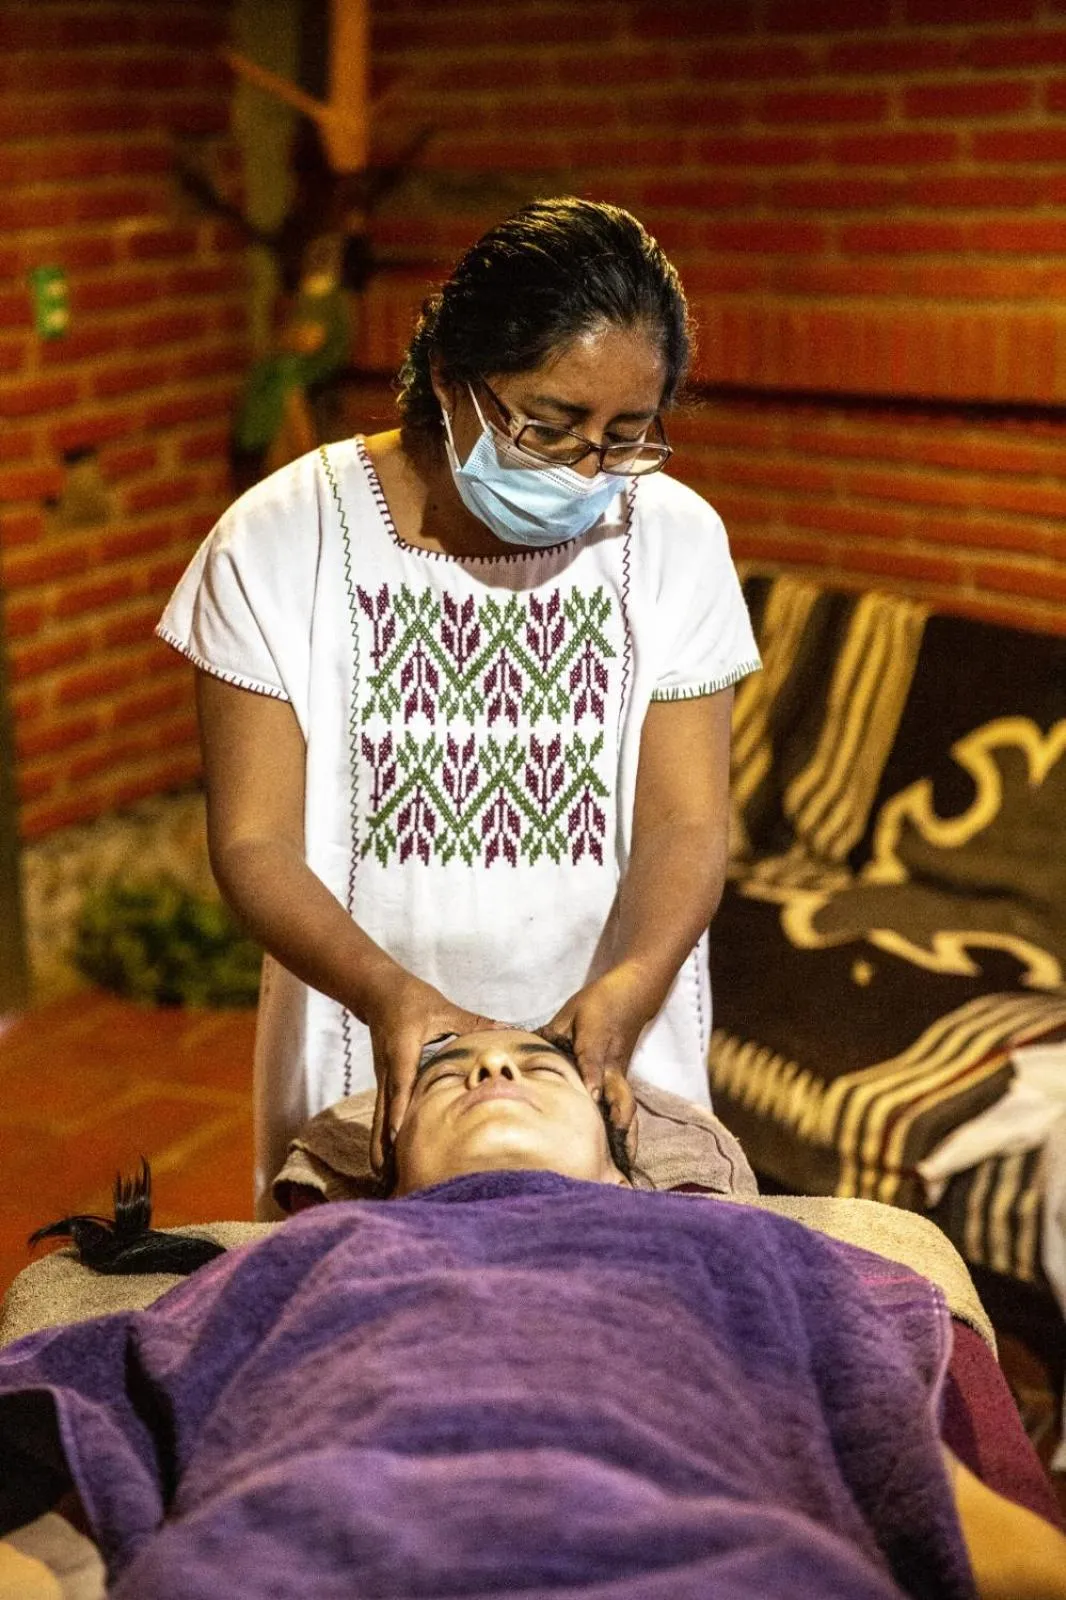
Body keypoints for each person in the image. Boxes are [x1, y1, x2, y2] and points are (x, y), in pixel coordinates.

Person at [156, 197, 760, 1209]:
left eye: (626, 435)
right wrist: (390, 995)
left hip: (604, 1060)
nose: (587, 469)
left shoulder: (674, 540)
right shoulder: (279, 540)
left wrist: (629, 988)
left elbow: (686, 818)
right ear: (449, 378)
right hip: (372, 1054)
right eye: (551, 424)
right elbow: (254, 841)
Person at [3, 1027, 1066, 1599]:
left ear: (622, 1157)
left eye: (538, 1063)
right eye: (446, 1070)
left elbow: (925, 1487)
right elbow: (74, 1420)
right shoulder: (306, 1254)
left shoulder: (753, 1245)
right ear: (387, 1165)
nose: (495, 1065)